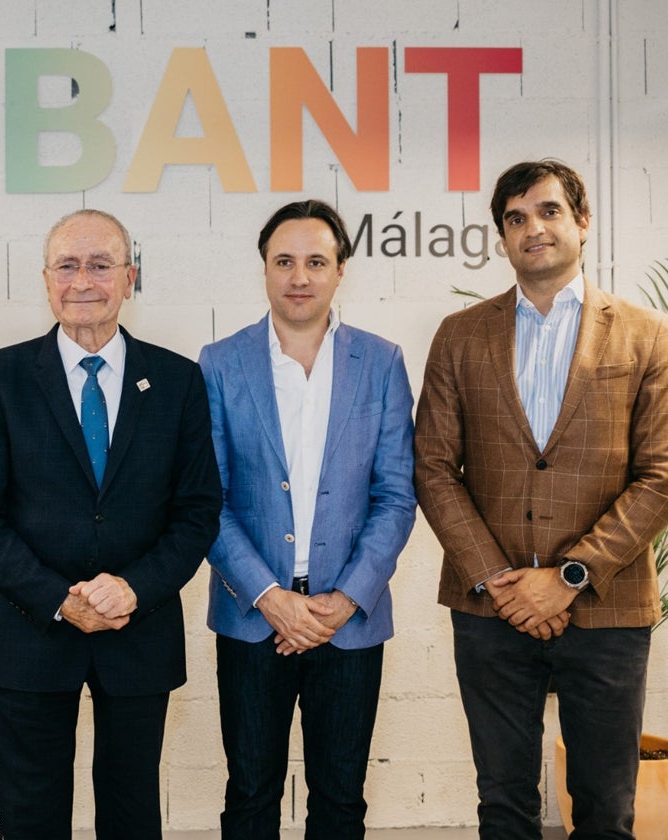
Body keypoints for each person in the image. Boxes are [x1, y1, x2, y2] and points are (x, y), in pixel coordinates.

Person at [0, 208, 222, 840]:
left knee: (132, 813)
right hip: (29, 632)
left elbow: (196, 510)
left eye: (101, 264)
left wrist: (134, 588)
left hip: (138, 630)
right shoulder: (0, 377)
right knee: (31, 816)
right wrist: (57, 598)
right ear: (46, 280)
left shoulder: (179, 380)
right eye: (67, 265)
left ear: (129, 276)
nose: (83, 280)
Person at [415, 159, 668, 839]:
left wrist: (568, 578)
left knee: (607, 811)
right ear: (501, 236)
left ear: (583, 223)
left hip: (608, 610)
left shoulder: (646, 336)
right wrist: (502, 582)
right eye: (517, 218)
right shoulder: (459, 334)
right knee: (502, 807)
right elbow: (433, 467)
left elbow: (661, 475)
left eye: (550, 212)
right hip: (489, 612)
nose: (535, 229)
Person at [199, 199, 416, 839]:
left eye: (316, 262)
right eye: (284, 261)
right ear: (264, 269)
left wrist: (344, 600)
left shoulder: (381, 362)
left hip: (347, 623)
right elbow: (208, 499)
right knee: (250, 797)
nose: (300, 276)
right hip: (251, 618)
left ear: (340, 270)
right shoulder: (220, 362)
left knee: (342, 800)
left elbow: (396, 495)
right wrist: (271, 598)